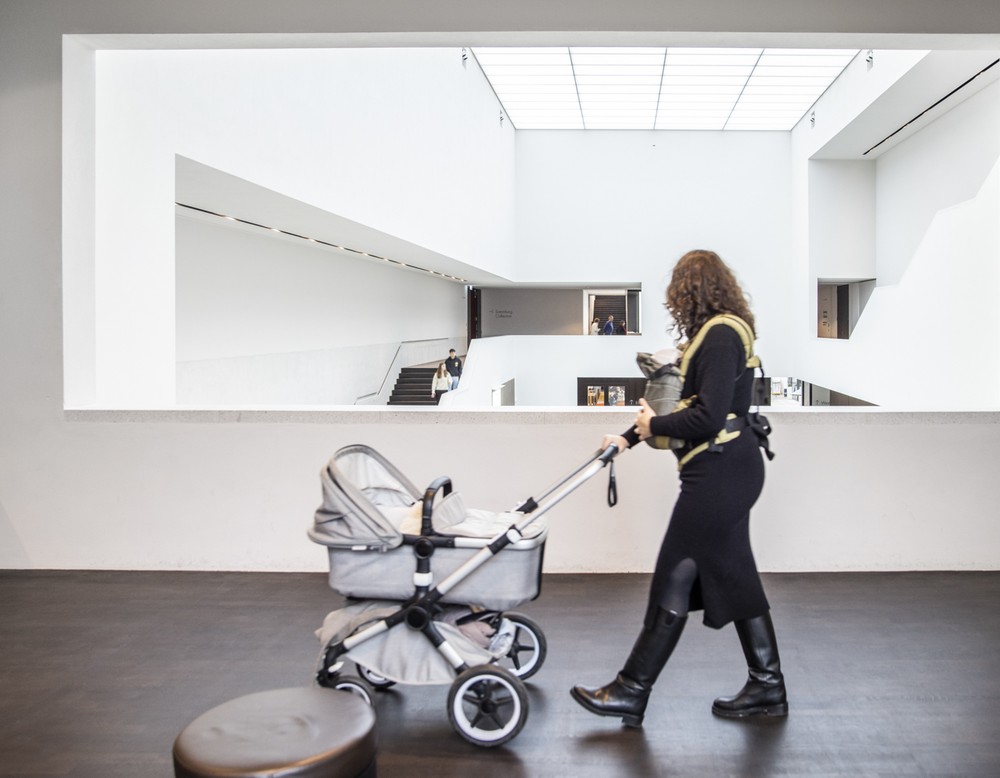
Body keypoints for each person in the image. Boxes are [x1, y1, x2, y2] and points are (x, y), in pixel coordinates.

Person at [571, 249, 787, 728]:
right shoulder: (719, 334)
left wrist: (649, 428)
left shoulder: (720, 335)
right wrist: (627, 438)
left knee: (677, 570)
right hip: (727, 469)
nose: (675, 304)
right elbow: (681, 410)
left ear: (689, 292)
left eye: (677, 294)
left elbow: (706, 417)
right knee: (735, 575)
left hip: (721, 473)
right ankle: (767, 686)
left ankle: (631, 689)